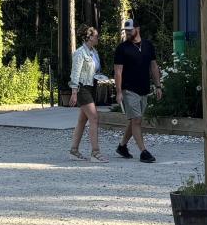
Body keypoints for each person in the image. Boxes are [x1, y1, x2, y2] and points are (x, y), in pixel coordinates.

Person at [114, 19, 163, 163]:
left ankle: (122, 146)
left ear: (137, 29)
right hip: (129, 89)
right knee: (136, 120)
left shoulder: (148, 46)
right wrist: (118, 91)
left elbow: (153, 67)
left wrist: (158, 86)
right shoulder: (122, 48)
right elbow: (118, 71)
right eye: (126, 30)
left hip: (144, 89)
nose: (128, 33)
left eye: (130, 30)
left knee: (133, 120)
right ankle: (143, 152)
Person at [68, 26, 107, 162]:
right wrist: (74, 92)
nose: (98, 38)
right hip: (82, 89)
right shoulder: (80, 53)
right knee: (94, 118)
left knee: (82, 120)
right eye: (96, 36)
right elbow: (75, 73)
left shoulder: (94, 52)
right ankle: (95, 152)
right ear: (89, 37)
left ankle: (73, 150)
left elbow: (95, 70)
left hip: (92, 87)